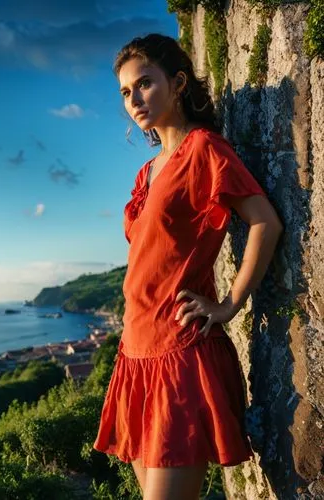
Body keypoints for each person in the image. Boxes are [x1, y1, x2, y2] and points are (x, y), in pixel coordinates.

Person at [92, 33, 283, 499]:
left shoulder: (203, 149)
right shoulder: (148, 171)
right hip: (136, 355)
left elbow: (265, 223)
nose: (133, 99)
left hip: (179, 354)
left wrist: (229, 304)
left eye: (144, 84)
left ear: (177, 84)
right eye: (124, 92)